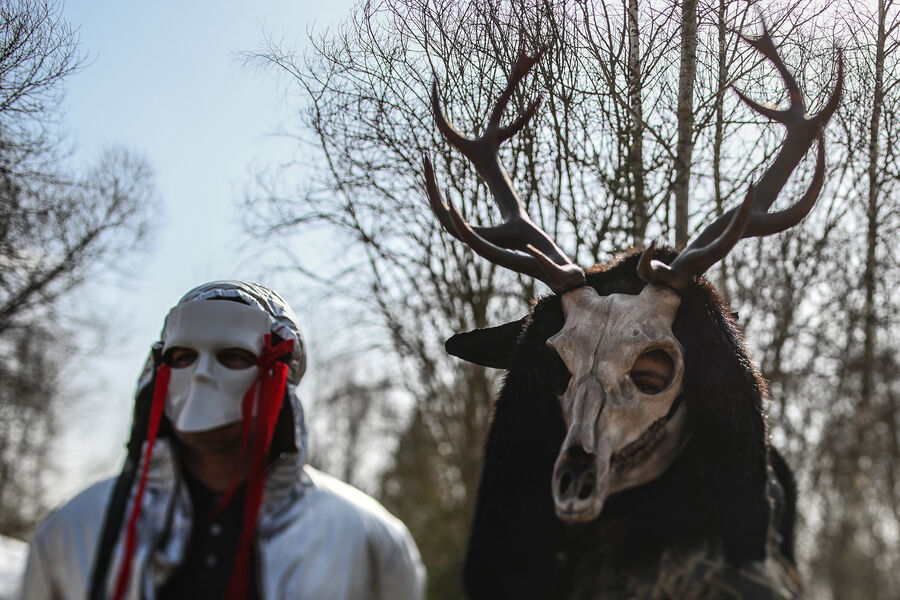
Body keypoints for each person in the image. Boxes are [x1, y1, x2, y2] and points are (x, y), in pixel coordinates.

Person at [20, 281, 425, 600]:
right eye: (182, 358)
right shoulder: (70, 530)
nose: (200, 376)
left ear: (277, 376)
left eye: (233, 356)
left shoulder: (371, 539)